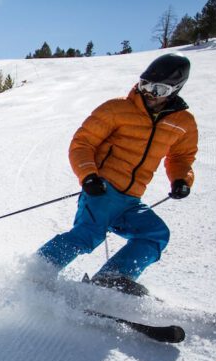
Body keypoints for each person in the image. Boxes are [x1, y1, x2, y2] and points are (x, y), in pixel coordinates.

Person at [35, 53, 198, 296]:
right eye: (145, 85)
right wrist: (88, 175)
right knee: (88, 235)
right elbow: (82, 144)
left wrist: (182, 179)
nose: (149, 93)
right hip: (102, 189)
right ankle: (36, 273)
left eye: (159, 89)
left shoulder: (183, 123)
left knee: (155, 234)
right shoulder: (117, 109)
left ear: (175, 89)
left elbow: (181, 157)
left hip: (131, 199)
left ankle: (112, 279)